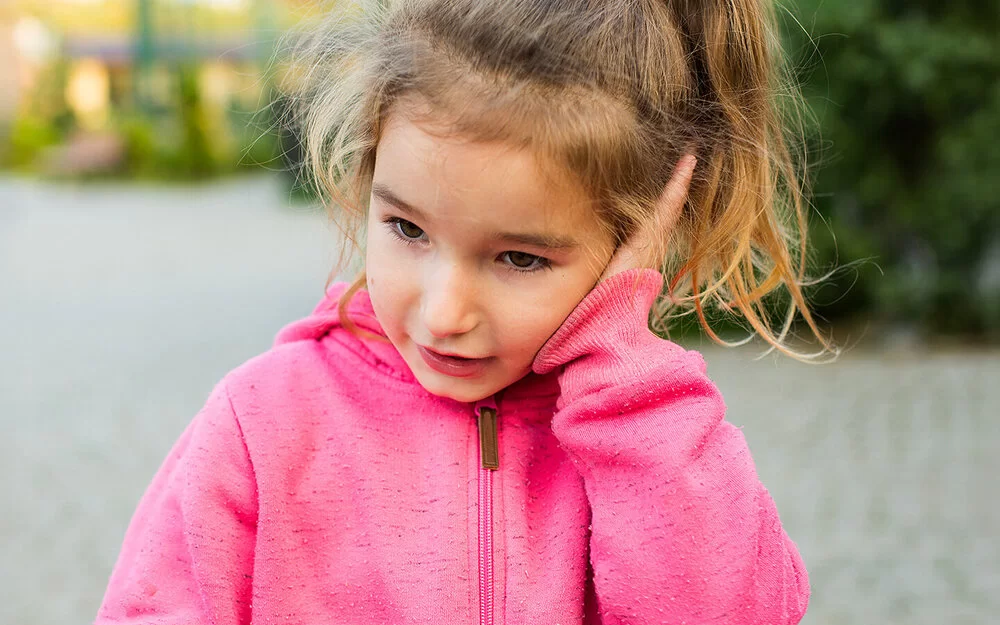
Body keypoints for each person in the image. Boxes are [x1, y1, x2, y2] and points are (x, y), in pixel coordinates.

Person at [96, 0, 835, 623]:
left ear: (640, 240)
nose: (445, 313)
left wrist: (625, 376)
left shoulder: (657, 445)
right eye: (407, 230)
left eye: (520, 258)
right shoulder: (262, 424)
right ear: (365, 175)